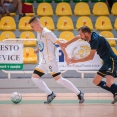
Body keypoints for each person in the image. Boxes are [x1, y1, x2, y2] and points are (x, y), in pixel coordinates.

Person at [28, 16, 84, 104]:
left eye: (32, 26)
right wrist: (37, 49)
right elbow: (41, 43)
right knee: (35, 77)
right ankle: (50, 94)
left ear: (37, 24)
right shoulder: (39, 32)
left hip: (51, 61)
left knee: (59, 80)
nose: (32, 29)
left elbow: (60, 44)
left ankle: (79, 93)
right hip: (43, 62)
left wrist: (66, 57)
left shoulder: (47, 33)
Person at [58, 26, 117, 104]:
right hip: (106, 62)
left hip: (111, 60)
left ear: (86, 34)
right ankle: (115, 93)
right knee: (96, 81)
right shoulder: (90, 36)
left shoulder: (94, 40)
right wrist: (66, 44)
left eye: (81, 35)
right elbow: (77, 37)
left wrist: (74, 61)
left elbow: (90, 57)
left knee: (109, 83)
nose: (81, 37)